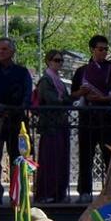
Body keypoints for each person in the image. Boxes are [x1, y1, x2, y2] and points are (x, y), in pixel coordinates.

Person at [0, 37, 32, 204]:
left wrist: (16, 110)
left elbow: (27, 96)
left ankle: (16, 192)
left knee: (16, 157)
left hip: (16, 119)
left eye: (4, 49)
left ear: (12, 51)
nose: (0, 52)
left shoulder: (22, 72)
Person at [71, 35, 111, 201]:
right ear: (92, 50)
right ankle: (84, 192)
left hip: (107, 119)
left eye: (106, 49)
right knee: (86, 156)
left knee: (110, 157)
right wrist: (82, 93)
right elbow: (72, 94)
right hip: (87, 118)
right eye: (101, 49)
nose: (104, 52)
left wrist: (104, 99)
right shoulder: (81, 71)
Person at [34, 50, 71, 203]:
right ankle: (47, 193)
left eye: (61, 60)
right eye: (56, 60)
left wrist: (68, 99)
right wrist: (69, 99)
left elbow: (65, 99)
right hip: (50, 126)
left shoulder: (59, 81)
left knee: (61, 160)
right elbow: (52, 100)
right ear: (48, 61)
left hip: (60, 125)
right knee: (50, 160)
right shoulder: (45, 80)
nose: (59, 63)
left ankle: (58, 192)